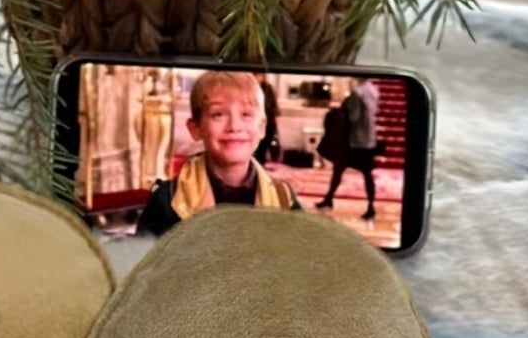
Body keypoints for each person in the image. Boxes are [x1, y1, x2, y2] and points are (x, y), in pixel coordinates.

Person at [137, 71, 299, 236]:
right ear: (195, 128)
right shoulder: (168, 199)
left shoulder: (283, 199)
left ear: (262, 127)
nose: (234, 127)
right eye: (218, 115)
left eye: (246, 114)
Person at [315, 78, 380, 220]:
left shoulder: (357, 93)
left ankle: (329, 199)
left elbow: (353, 117)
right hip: (368, 139)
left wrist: (341, 109)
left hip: (354, 140)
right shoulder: (373, 90)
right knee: (366, 174)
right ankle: (370, 206)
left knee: (338, 169)